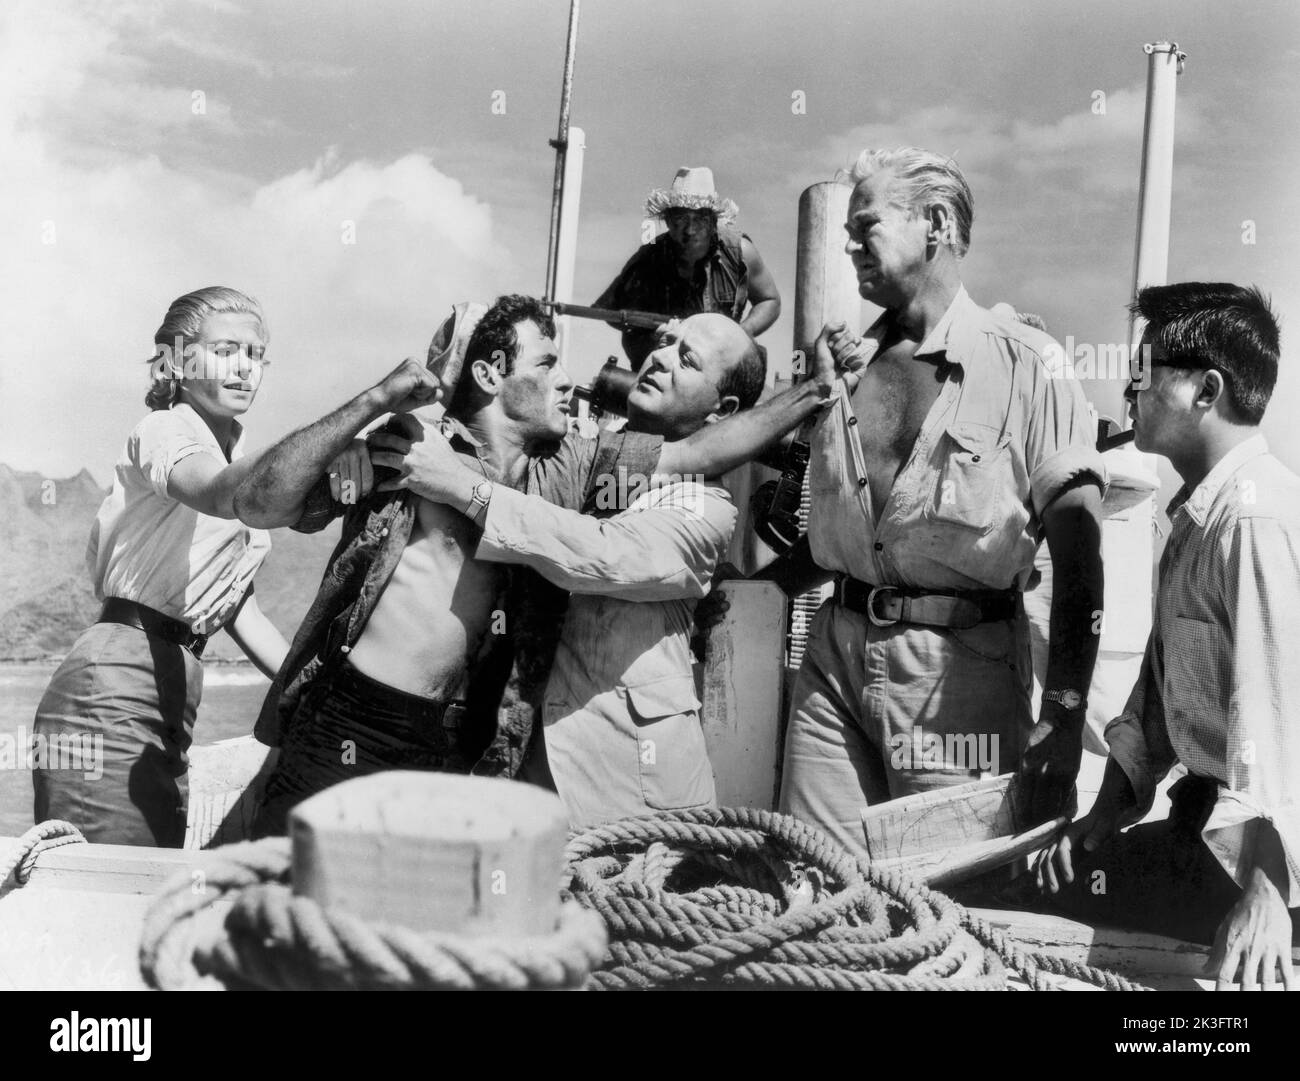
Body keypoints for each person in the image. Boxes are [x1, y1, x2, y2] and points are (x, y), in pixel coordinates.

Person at [234, 295, 845, 835]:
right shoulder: (411, 448)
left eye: (687, 359)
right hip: (354, 717)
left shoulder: (580, 470)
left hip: (488, 752)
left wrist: (815, 391)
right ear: (490, 374)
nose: (570, 381)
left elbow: (634, 517)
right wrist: (372, 407)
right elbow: (260, 503)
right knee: (283, 921)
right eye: (548, 364)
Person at [757, 146, 1108, 860]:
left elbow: (1080, 557)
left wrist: (1066, 711)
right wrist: (742, 594)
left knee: (942, 905)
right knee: (814, 892)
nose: (851, 243)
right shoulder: (842, 369)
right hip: (834, 654)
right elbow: (843, 533)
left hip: (961, 674)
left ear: (937, 223)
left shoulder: (1028, 365)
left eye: (868, 224)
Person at [371, 313, 768, 827]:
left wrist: (459, 487)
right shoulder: (567, 454)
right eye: (665, 340)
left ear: (723, 410)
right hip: (514, 764)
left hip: (630, 788)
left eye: (687, 359)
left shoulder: (705, 506)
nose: (661, 356)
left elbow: (598, 555)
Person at [1035, 282, 1299, 990]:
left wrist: (1269, 893)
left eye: (1145, 374)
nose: (1128, 389)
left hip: (1267, 860)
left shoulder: (1252, 517)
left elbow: (1275, 717)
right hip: (1202, 829)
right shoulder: (1194, 516)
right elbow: (1157, 696)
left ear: (1207, 389)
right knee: (1033, 897)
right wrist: (1104, 813)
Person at [31, 286, 292, 847]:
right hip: (113, 685)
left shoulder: (234, 466)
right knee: (108, 890)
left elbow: (240, 611)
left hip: (175, 688)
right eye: (225, 350)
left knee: (149, 887)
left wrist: (313, 682)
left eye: (256, 354)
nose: (244, 367)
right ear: (176, 360)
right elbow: (215, 492)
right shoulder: (168, 432)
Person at [594, 166, 781, 369]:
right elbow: (610, 314)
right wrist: (653, 339)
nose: (690, 230)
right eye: (681, 219)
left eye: (699, 219)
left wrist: (737, 336)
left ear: (713, 222)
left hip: (721, 366)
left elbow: (769, 301)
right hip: (662, 365)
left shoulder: (740, 253)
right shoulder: (647, 260)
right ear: (667, 221)